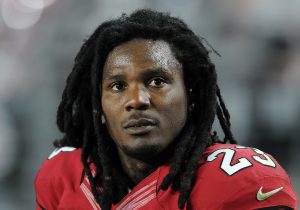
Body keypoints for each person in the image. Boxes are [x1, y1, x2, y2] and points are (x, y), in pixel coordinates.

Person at [34, 9, 298, 210]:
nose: (137, 99)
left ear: (190, 95)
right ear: (99, 106)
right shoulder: (65, 175)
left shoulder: (239, 179)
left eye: (157, 81)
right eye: (117, 86)